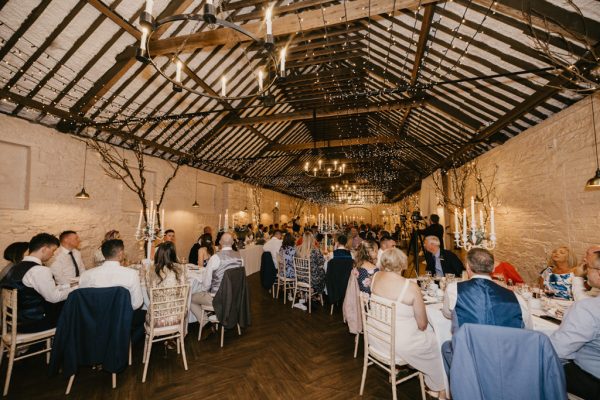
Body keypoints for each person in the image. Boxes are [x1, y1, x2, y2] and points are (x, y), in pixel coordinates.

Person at [370, 248, 446, 399]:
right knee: (439, 341)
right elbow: (422, 325)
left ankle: (426, 375)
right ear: (403, 265)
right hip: (399, 345)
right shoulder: (410, 287)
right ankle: (440, 389)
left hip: (377, 338)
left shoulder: (376, 277)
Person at [550, 250, 600, 400]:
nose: (585, 271)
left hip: (592, 381)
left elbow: (558, 352)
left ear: (598, 273)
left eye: (587, 267)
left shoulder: (588, 308)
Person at [442, 248, 532, 331]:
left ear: (467, 267)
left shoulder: (453, 289)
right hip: (504, 347)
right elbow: (527, 330)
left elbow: (447, 314)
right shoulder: (517, 298)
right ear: (493, 269)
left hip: (468, 346)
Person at [1, 233, 71, 333]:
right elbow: (53, 297)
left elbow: (31, 291)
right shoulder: (39, 270)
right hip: (33, 322)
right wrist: (75, 289)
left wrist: (67, 286)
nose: (53, 254)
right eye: (53, 250)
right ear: (44, 249)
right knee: (73, 307)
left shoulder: (15, 267)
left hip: (16, 321)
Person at [79, 239, 145, 341]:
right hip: (120, 319)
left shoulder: (86, 275)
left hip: (94, 320)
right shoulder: (131, 274)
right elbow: (137, 303)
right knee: (146, 315)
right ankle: (124, 343)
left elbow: (83, 301)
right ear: (120, 254)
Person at [189, 233, 243, 322]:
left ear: (220, 242)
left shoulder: (215, 258)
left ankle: (205, 322)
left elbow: (207, 284)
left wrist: (203, 290)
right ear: (233, 242)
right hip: (235, 296)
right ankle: (212, 315)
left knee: (190, 297)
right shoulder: (240, 257)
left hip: (218, 299)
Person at [146, 242, 186, 328]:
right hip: (177, 316)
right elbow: (183, 293)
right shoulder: (180, 269)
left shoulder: (150, 270)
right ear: (173, 254)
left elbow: (150, 295)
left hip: (156, 318)